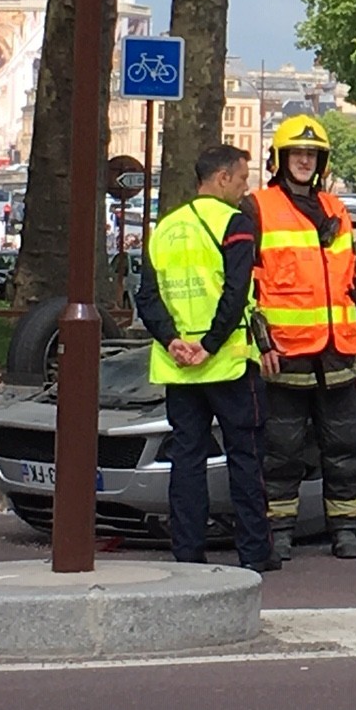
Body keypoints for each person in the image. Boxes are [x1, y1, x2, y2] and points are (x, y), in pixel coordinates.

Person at [136, 144, 277, 572]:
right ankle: (255, 552)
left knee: (187, 462)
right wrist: (211, 344)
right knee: (246, 458)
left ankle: (188, 553)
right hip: (228, 362)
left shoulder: (165, 228)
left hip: (178, 367)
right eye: (242, 178)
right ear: (221, 178)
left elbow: (147, 296)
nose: (245, 187)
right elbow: (236, 293)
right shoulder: (235, 224)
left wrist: (172, 340)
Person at [249, 115, 356, 562]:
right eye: (296, 153)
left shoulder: (336, 209)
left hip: (339, 352)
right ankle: (279, 532)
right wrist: (261, 342)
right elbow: (246, 286)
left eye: (311, 154)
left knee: (346, 446)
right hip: (285, 353)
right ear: (279, 159)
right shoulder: (257, 208)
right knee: (281, 451)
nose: (304, 161)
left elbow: (350, 282)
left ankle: (346, 530)